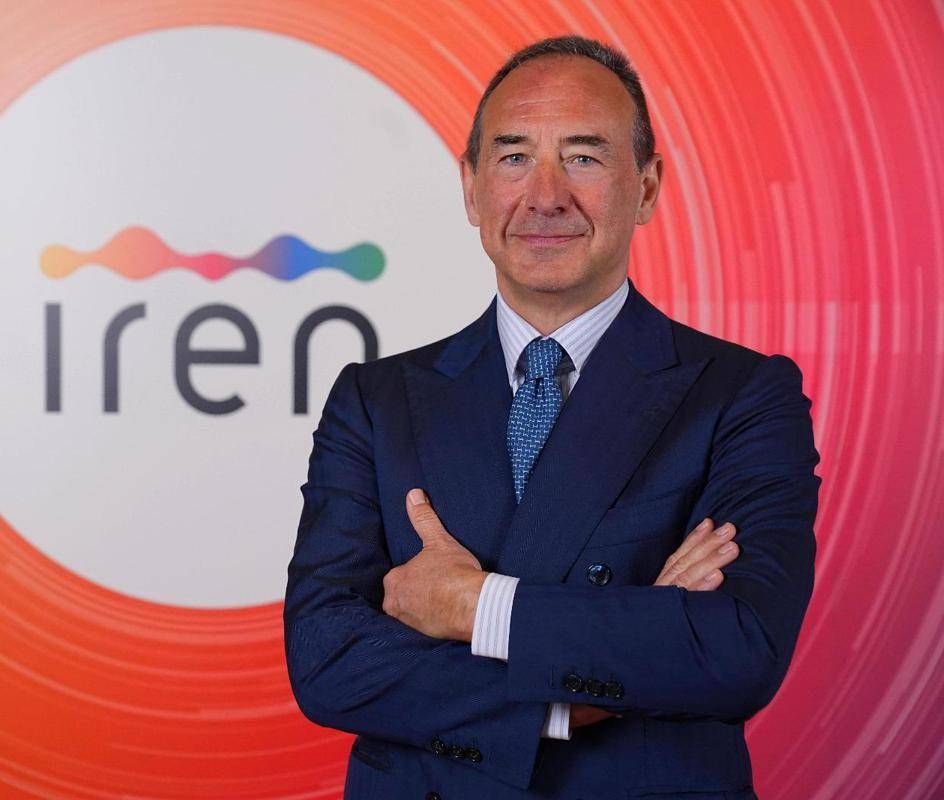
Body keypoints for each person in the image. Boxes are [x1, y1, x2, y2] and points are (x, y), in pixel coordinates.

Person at [283, 34, 819, 800]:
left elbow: (737, 648)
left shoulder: (742, 395)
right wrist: (570, 700)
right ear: (471, 188)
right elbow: (327, 657)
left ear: (647, 187)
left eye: (584, 157)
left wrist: (473, 605)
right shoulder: (375, 401)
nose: (544, 197)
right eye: (512, 158)